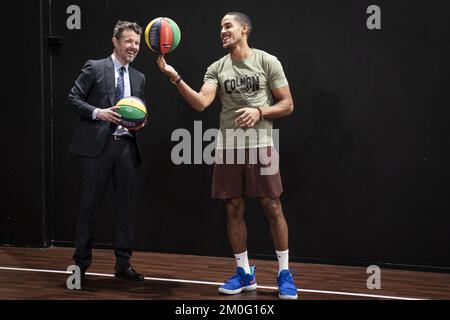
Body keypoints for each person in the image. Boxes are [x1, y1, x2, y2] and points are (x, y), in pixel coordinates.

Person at [157, 12, 298, 299]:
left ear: (244, 29)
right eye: (220, 27)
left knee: (272, 206)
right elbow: (200, 103)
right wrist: (176, 78)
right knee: (233, 208)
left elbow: (287, 105)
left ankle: (284, 273)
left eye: (227, 26)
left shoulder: (266, 61)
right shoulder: (216, 68)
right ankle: (244, 273)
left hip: (261, 145)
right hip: (229, 146)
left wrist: (260, 111)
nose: (222, 31)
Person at [67, 20, 146, 283]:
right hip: (97, 148)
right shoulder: (95, 66)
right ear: (115, 42)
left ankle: (123, 264)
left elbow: (138, 112)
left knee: (127, 209)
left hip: (126, 148)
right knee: (89, 208)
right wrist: (97, 112)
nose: (133, 47)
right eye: (128, 41)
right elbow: (73, 98)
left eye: (136, 42)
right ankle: (79, 266)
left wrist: (141, 120)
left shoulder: (138, 77)